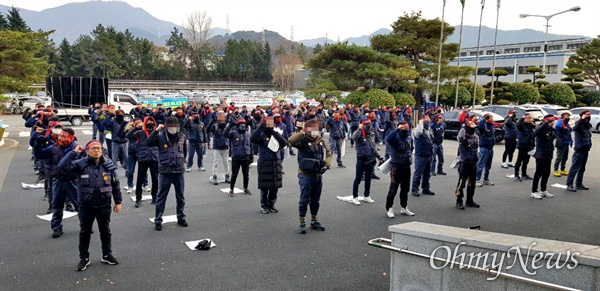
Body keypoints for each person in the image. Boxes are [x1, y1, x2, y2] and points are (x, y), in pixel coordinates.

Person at [58, 140, 122, 271]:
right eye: (93, 149)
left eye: (98, 148)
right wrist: (74, 152)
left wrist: (118, 202)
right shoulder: (80, 164)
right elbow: (62, 166)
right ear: (87, 151)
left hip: (104, 204)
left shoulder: (108, 165)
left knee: (105, 231)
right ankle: (84, 258)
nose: (96, 151)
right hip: (86, 205)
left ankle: (107, 254)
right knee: (85, 232)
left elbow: (115, 184)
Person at [288, 119, 332, 234]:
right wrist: (303, 132)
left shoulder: (320, 140)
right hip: (305, 174)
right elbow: (290, 141)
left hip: (317, 174)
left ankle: (314, 220)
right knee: (304, 199)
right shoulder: (302, 140)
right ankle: (302, 222)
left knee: (315, 199)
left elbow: (328, 153)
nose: (316, 131)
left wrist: (327, 164)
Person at [34, 128, 79, 238]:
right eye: (60, 137)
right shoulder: (54, 148)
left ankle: (85, 225)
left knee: (80, 205)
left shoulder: (78, 149)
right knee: (57, 206)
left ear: (72, 137)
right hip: (58, 180)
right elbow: (39, 155)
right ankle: (56, 228)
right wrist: (37, 144)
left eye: (65, 137)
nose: (62, 139)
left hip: (72, 180)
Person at [146, 117, 188, 231]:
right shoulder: (160, 136)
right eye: (171, 126)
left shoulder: (182, 136)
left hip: (179, 171)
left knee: (181, 196)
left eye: (175, 125)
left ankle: (181, 217)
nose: (173, 128)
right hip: (165, 171)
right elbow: (148, 143)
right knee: (161, 197)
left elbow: (184, 152)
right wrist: (156, 130)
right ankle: (158, 220)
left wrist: (182, 161)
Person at [251, 116, 287, 213]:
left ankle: (272, 203)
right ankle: (264, 205)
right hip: (265, 162)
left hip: (276, 162)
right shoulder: (261, 135)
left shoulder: (276, 133)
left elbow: (284, 143)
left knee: (275, 186)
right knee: (264, 186)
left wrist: (274, 133)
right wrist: (261, 126)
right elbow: (253, 138)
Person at [126, 116, 159, 207]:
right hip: (143, 158)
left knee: (155, 179)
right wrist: (136, 127)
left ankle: (155, 197)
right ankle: (138, 199)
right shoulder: (140, 133)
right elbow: (128, 135)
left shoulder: (157, 132)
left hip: (154, 158)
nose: (150, 123)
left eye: (151, 122)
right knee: (140, 180)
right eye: (148, 122)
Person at [384, 121, 414, 217]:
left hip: (406, 166)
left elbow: (411, 148)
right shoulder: (395, 137)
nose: (406, 129)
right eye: (403, 128)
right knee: (393, 189)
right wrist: (397, 129)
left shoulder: (409, 137)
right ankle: (389, 208)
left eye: (407, 128)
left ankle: (404, 207)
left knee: (405, 189)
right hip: (396, 167)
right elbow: (388, 139)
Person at [350, 119, 383, 205]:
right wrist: (359, 129)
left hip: (370, 158)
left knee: (368, 178)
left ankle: (366, 195)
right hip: (361, 158)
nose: (368, 127)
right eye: (366, 125)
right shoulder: (360, 133)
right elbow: (354, 138)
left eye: (369, 125)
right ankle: (355, 197)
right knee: (358, 178)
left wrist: (379, 157)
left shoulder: (371, 134)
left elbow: (373, 148)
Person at [224, 118, 253, 197]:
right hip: (236, 157)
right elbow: (225, 134)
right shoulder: (233, 134)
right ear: (237, 126)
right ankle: (231, 189)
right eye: (241, 125)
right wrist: (230, 125)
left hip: (246, 156)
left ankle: (246, 188)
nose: (242, 126)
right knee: (234, 174)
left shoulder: (248, 134)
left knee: (246, 174)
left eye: (244, 125)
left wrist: (251, 157)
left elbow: (251, 146)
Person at [455, 121, 480, 210]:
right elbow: (460, 136)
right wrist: (463, 128)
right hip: (464, 163)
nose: (473, 129)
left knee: (472, 184)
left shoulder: (476, 137)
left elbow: (477, 148)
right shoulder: (463, 138)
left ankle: (469, 201)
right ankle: (459, 201)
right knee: (461, 184)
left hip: (473, 163)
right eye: (471, 127)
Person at [531, 115, 557, 199]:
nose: (554, 123)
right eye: (553, 121)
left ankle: (543, 190)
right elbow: (536, 132)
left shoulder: (551, 130)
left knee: (546, 173)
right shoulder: (541, 129)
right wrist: (546, 123)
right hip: (541, 154)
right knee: (538, 173)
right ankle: (534, 191)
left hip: (548, 154)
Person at [566, 110, 592, 192]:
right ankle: (569, 184)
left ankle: (578, 184)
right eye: (587, 115)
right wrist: (582, 119)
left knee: (582, 168)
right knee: (575, 167)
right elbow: (575, 128)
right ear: (582, 115)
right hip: (579, 149)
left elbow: (588, 136)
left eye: (589, 115)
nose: (588, 116)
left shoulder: (587, 125)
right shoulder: (579, 123)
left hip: (586, 148)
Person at [411, 116, 435, 196]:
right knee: (418, 173)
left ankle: (425, 188)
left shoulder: (429, 130)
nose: (428, 122)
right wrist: (421, 122)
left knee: (427, 173)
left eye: (429, 121)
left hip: (428, 154)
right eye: (426, 121)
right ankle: (415, 189)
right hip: (421, 154)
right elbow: (418, 132)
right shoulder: (418, 130)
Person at [208, 111, 230, 185]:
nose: (221, 117)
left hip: (225, 146)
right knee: (216, 162)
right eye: (220, 116)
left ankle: (227, 176)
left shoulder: (227, 125)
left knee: (226, 162)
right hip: (217, 146)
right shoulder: (215, 125)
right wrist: (212, 122)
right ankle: (215, 177)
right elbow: (207, 130)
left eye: (223, 116)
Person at [475, 113, 496, 187]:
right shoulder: (483, 125)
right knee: (481, 164)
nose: (491, 119)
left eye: (491, 117)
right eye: (490, 117)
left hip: (490, 147)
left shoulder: (491, 126)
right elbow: (479, 127)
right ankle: (476, 180)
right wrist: (484, 119)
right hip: (484, 147)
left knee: (488, 165)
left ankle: (486, 179)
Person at [514, 113, 535, 182]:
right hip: (522, 145)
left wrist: (533, 146)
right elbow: (518, 124)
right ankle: (516, 175)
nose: (530, 119)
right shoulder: (522, 126)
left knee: (526, 161)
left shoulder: (531, 127)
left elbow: (533, 137)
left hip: (529, 146)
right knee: (519, 161)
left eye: (531, 118)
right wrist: (523, 118)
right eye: (529, 118)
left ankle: (524, 174)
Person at [553, 112, 573, 177]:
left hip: (566, 142)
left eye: (568, 116)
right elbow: (558, 126)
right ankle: (555, 170)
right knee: (559, 157)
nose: (568, 117)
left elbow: (569, 131)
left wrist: (571, 141)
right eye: (566, 116)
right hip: (560, 142)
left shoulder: (567, 124)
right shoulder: (560, 123)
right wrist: (562, 119)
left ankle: (562, 169)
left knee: (565, 157)